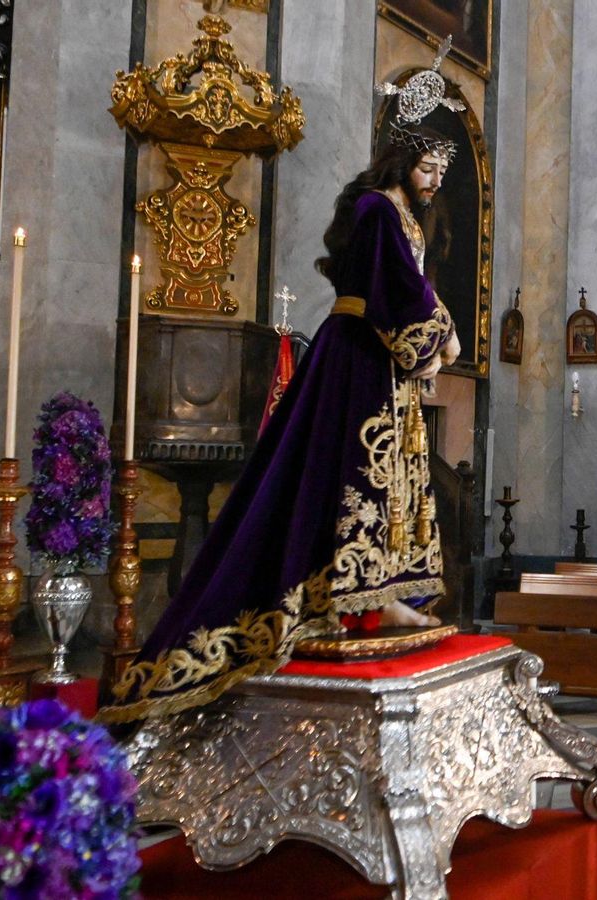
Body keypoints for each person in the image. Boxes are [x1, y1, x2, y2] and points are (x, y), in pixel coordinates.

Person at [103, 69, 462, 723]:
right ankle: (358, 595)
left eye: (441, 170)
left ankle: (379, 592)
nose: (436, 180)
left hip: (379, 362)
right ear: (405, 158)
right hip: (358, 360)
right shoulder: (378, 209)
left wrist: (433, 326)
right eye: (431, 166)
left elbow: (409, 285)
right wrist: (438, 332)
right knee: (355, 480)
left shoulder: (400, 212)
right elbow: (392, 292)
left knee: (384, 483)